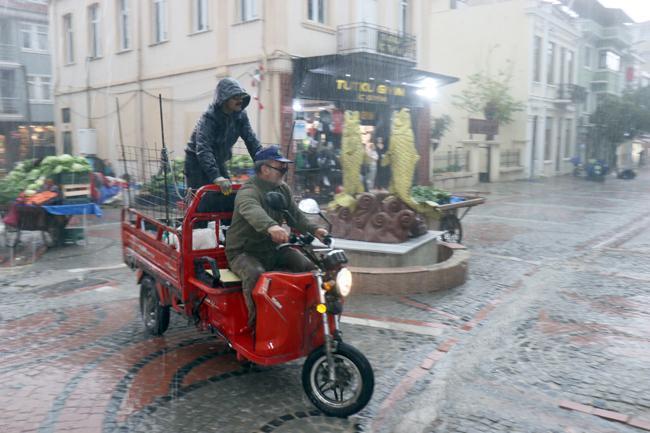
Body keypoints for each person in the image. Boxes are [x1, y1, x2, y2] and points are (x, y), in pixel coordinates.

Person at [226, 145, 329, 331]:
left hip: (273, 248)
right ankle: (256, 327)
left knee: (309, 268)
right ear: (264, 169)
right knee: (255, 274)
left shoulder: (282, 189)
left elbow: (295, 216)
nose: (284, 171)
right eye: (280, 167)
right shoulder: (248, 192)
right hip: (243, 251)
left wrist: (316, 230)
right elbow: (252, 210)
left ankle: (308, 318)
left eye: (285, 167)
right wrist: (271, 226)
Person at [185, 77, 262, 195]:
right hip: (196, 164)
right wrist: (216, 177)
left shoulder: (240, 116)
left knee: (227, 194)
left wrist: (264, 164)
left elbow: (251, 141)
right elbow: (203, 148)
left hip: (218, 161)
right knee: (201, 201)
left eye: (241, 96)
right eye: (235, 97)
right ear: (224, 99)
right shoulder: (209, 118)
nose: (240, 100)